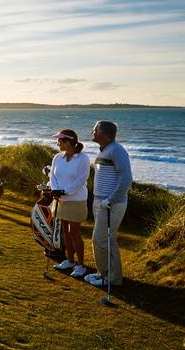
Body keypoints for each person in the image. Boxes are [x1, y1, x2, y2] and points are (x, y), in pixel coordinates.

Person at [84, 121, 132, 287]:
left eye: (95, 129)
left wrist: (109, 200)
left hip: (110, 203)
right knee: (106, 240)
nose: (92, 131)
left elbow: (126, 179)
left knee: (101, 240)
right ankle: (107, 275)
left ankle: (109, 278)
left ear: (105, 134)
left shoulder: (117, 150)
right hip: (101, 201)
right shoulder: (105, 150)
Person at [49, 129, 91, 278]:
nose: (58, 143)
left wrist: (65, 191)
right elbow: (52, 176)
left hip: (76, 200)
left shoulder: (83, 158)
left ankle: (80, 265)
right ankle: (70, 260)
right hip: (61, 199)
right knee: (65, 231)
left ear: (68, 141)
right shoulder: (57, 157)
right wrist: (55, 190)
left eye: (60, 140)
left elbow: (81, 180)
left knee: (74, 232)